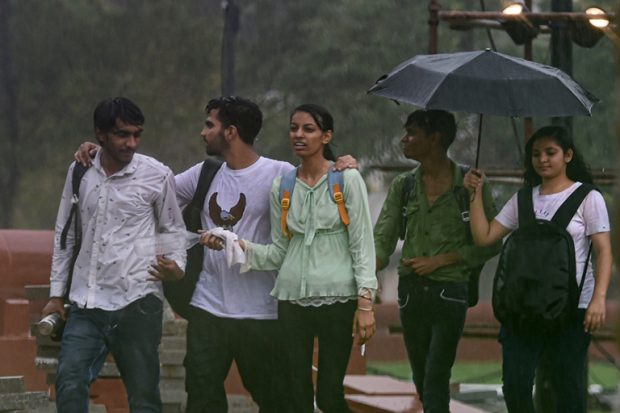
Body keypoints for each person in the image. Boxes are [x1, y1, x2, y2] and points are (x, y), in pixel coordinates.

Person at [75, 96, 357, 412]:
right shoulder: (204, 174)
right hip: (208, 309)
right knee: (201, 399)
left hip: (262, 312)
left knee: (277, 401)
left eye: (210, 125)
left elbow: (317, 182)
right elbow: (147, 183)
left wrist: (342, 165)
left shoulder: (280, 174)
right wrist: (104, 154)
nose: (203, 132)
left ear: (231, 132)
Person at [206, 103, 377, 413]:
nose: (298, 135)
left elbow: (363, 244)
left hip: (338, 300)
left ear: (326, 136)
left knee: (329, 397)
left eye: (308, 129)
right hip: (291, 302)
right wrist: (233, 243)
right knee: (296, 396)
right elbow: (279, 252)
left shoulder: (347, 180)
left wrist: (365, 303)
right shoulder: (282, 186)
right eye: (294, 128)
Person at [42, 97, 187, 413]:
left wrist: (176, 266)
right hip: (87, 302)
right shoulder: (80, 171)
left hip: (138, 301)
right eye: (122, 134)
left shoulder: (156, 174)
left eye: (137, 134)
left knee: (144, 397)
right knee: (69, 380)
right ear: (100, 134)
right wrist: (56, 294)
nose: (131, 142)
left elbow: (173, 230)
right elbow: (64, 235)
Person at [464, 125, 612, 413]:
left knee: (567, 390)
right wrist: (475, 194)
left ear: (568, 155)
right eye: (536, 154)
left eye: (550, 152)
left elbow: (604, 251)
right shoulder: (523, 200)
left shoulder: (587, 198)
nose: (542, 159)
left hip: (571, 310)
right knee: (516, 387)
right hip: (523, 308)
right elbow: (484, 236)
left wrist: (598, 299)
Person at [373, 109, 501, 413]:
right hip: (410, 291)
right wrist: (363, 276)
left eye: (412, 132)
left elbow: (492, 242)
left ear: (435, 138)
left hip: (450, 290)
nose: (404, 139)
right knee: (421, 376)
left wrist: (445, 259)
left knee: (436, 373)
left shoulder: (468, 185)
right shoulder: (403, 186)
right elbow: (383, 240)